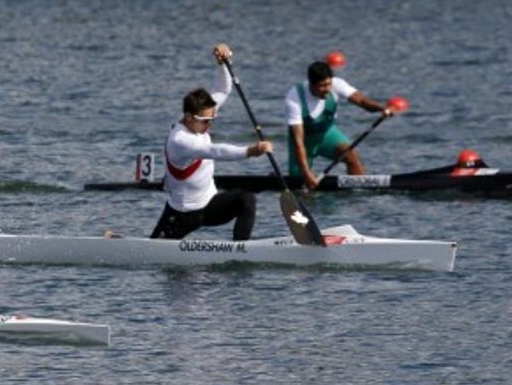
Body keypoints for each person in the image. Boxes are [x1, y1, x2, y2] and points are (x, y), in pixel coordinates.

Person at [150, 44, 273, 241]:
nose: (210, 124)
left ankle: (241, 251)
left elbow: (223, 90)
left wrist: (223, 64)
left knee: (246, 199)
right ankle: (117, 243)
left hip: (210, 205)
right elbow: (215, 151)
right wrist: (251, 151)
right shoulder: (180, 140)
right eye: (206, 121)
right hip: (183, 214)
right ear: (189, 117)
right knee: (154, 252)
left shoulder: (200, 115)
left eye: (212, 119)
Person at [285, 53, 395, 190]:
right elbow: (298, 142)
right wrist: (307, 174)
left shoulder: (336, 84)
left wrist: (382, 109)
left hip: (326, 134)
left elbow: (361, 101)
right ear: (311, 84)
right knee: (299, 185)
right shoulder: (294, 98)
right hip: (303, 142)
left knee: (352, 157)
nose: (327, 89)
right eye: (322, 86)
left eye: (328, 84)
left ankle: (358, 199)